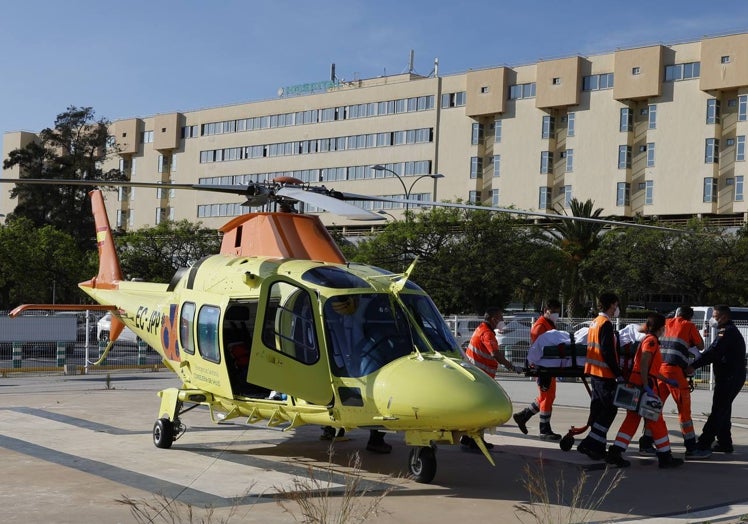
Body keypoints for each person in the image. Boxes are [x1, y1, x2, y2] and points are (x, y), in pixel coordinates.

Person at [605, 313, 684, 469]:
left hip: (637, 384)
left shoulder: (648, 339)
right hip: (643, 386)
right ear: (662, 328)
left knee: (632, 419)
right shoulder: (652, 341)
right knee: (656, 419)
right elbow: (644, 363)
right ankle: (665, 456)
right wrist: (647, 385)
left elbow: (650, 367)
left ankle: (616, 452)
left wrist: (666, 380)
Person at [639, 306, 705, 458]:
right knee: (684, 411)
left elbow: (645, 330)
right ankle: (690, 447)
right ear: (689, 317)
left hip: (659, 372)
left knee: (654, 408)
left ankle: (646, 443)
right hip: (674, 373)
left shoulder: (665, 322)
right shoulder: (688, 325)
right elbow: (701, 346)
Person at [688, 305, 746, 456]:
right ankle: (725, 443)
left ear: (724, 317)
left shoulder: (727, 333)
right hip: (729, 376)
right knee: (723, 410)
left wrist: (693, 366)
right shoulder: (726, 331)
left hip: (730, 377)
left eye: (715, 315)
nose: (712, 319)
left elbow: (713, 353)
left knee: (718, 410)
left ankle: (703, 445)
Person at [577, 292, 625, 461]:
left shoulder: (595, 322)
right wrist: (618, 374)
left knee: (599, 411)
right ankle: (590, 443)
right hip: (605, 375)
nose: (617, 308)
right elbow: (607, 351)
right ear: (612, 304)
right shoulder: (605, 324)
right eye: (617, 305)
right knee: (610, 410)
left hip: (594, 373)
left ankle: (596, 447)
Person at [462, 306, 514, 450]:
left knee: (474, 409)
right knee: (482, 409)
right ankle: (476, 440)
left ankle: (467, 437)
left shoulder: (481, 329)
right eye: (500, 318)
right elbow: (495, 354)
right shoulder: (487, 334)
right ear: (493, 319)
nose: (502, 320)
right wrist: (511, 366)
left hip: (476, 374)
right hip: (481, 377)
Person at [513, 299, 563, 440]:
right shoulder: (540, 326)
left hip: (549, 365)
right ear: (545, 310)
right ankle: (544, 429)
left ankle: (523, 415)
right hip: (543, 367)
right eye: (553, 311)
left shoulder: (548, 324)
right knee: (547, 397)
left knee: (546, 396)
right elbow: (538, 348)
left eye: (557, 312)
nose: (556, 314)